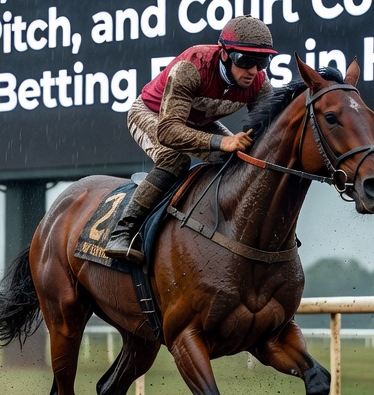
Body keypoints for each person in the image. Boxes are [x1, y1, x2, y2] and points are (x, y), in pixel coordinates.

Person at [103, 15, 277, 263]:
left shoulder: (259, 82)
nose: (253, 71)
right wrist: (220, 142)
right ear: (225, 54)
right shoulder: (192, 67)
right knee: (174, 159)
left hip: (198, 121)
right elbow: (169, 131)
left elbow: (270, 131)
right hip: (154, 115)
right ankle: (123, 232)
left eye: (262, 62)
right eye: (246, 60)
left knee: (241, 159)